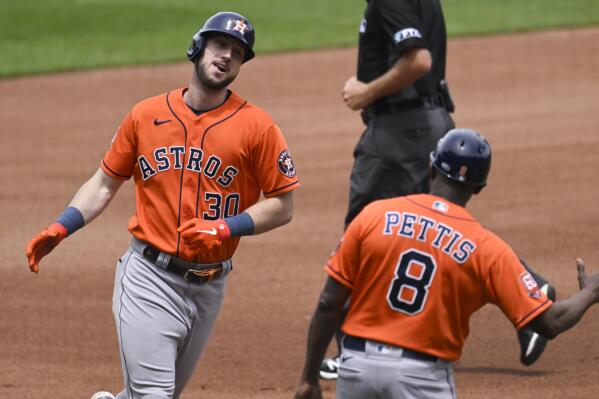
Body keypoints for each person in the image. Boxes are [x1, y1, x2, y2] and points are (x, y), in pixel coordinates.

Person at [25, 11, 300, 399]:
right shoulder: (146, 114)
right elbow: (104, 184)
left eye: (237, 53)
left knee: (156, 395)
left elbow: (283, 204)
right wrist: (63, 225)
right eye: (220, 44)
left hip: (210, 285)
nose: (226, 56)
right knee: (154, 394)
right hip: (148, 277)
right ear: (198, 46)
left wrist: (226, 227)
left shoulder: (258, 128)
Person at [320, 0, 552, 378]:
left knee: (363, 234)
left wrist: (367, 92)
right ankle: (534, 294)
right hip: (426, 127)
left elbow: (419, 61)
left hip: (399, 137)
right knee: (444, 226)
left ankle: (352, 351)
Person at [295, 128, 599, 399]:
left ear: (431, 168)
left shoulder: (374, 215)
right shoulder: (488, 248)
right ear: (479, 187)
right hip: (420, 377)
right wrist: (590, 292)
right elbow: (550, 322)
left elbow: (328, 303)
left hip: (357, 368)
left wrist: (309, 378)